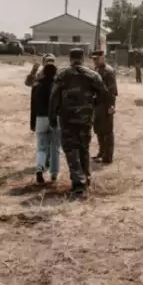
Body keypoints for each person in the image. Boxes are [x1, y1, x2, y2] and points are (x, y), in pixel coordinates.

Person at [49, 48, 108, 195]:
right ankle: (86, 178)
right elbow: (104, 94)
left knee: (71, 150)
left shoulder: (62, 75)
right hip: (85, 119)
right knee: (83, 148)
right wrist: (92, 104)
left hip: (67, 119)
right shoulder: (92, 75)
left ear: (70, 58)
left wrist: (52, 118)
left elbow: (54, 97)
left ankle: (79, 184)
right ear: (82, 58)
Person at [30, 56, 60, 184]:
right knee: (55, 147)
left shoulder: (36, 85)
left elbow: (33, 105)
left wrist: (32, 122)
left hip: (40, 118)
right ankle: (53, 174)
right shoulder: (58, 85)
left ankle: (39, 168)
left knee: (41, 147)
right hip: (55, 118)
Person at [90, 50, 118, 164]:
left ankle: (108, 156)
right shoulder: (96, 70)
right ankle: (101, 153)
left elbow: (112, 90)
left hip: (105, 103)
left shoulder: (108, 71)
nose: (95, 61)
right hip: (96, 104)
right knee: (98, 130)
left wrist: (111, 105)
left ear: (103, 58)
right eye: (93, 59)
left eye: (97, 58)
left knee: (107, 131)